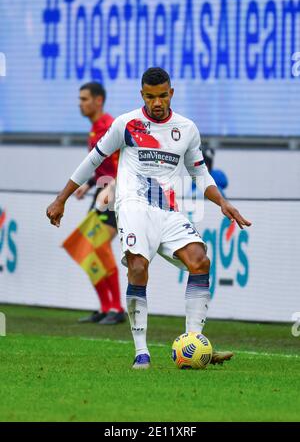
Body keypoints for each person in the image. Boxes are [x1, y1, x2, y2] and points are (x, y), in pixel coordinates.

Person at [47, 68, 251, 369]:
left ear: (171, 93)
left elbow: (199, 172)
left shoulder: (187, 128)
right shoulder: (126, 124)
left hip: (167, 211)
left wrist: (223, 202)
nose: (158, 102)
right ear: (142, 95)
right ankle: (141, 353)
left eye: (163, 95)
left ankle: (193, 342)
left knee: (199, 260)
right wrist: (61, 198)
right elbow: (94, 159)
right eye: (151, 96)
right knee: (138, 266)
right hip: (132, 206)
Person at [74, 82, 125, 325]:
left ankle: (116, 308)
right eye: (80, 99)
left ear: (98, 101)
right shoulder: (96, 128)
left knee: (99, 246)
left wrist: (112, 186)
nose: (80, 103)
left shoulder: (108, 126)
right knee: (86, 249)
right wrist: (89, 183)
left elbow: (122, 163)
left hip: (114, 194)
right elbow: (102, 165)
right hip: (102, 191)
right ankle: (106, 307)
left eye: (84, 99)